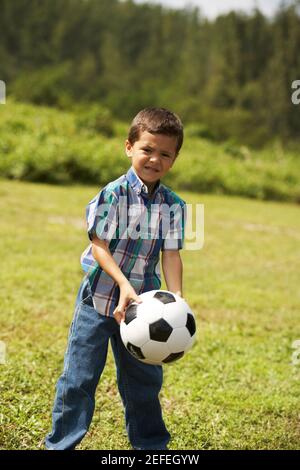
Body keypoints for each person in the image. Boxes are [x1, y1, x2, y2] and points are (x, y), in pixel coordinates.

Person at [45, 107, 187, 450]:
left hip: (144, 310)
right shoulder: (113, 194)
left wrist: (177, 297)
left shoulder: (175, 205)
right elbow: (99, 247)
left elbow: (171, 253)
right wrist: (123, 284)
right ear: (129, 147)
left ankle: (151, 448)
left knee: (144, 383)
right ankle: (61, 445)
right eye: (147, 150)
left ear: (174, 158)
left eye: (164, 154)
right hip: (98, 298)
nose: (154, 159)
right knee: (78, 379)